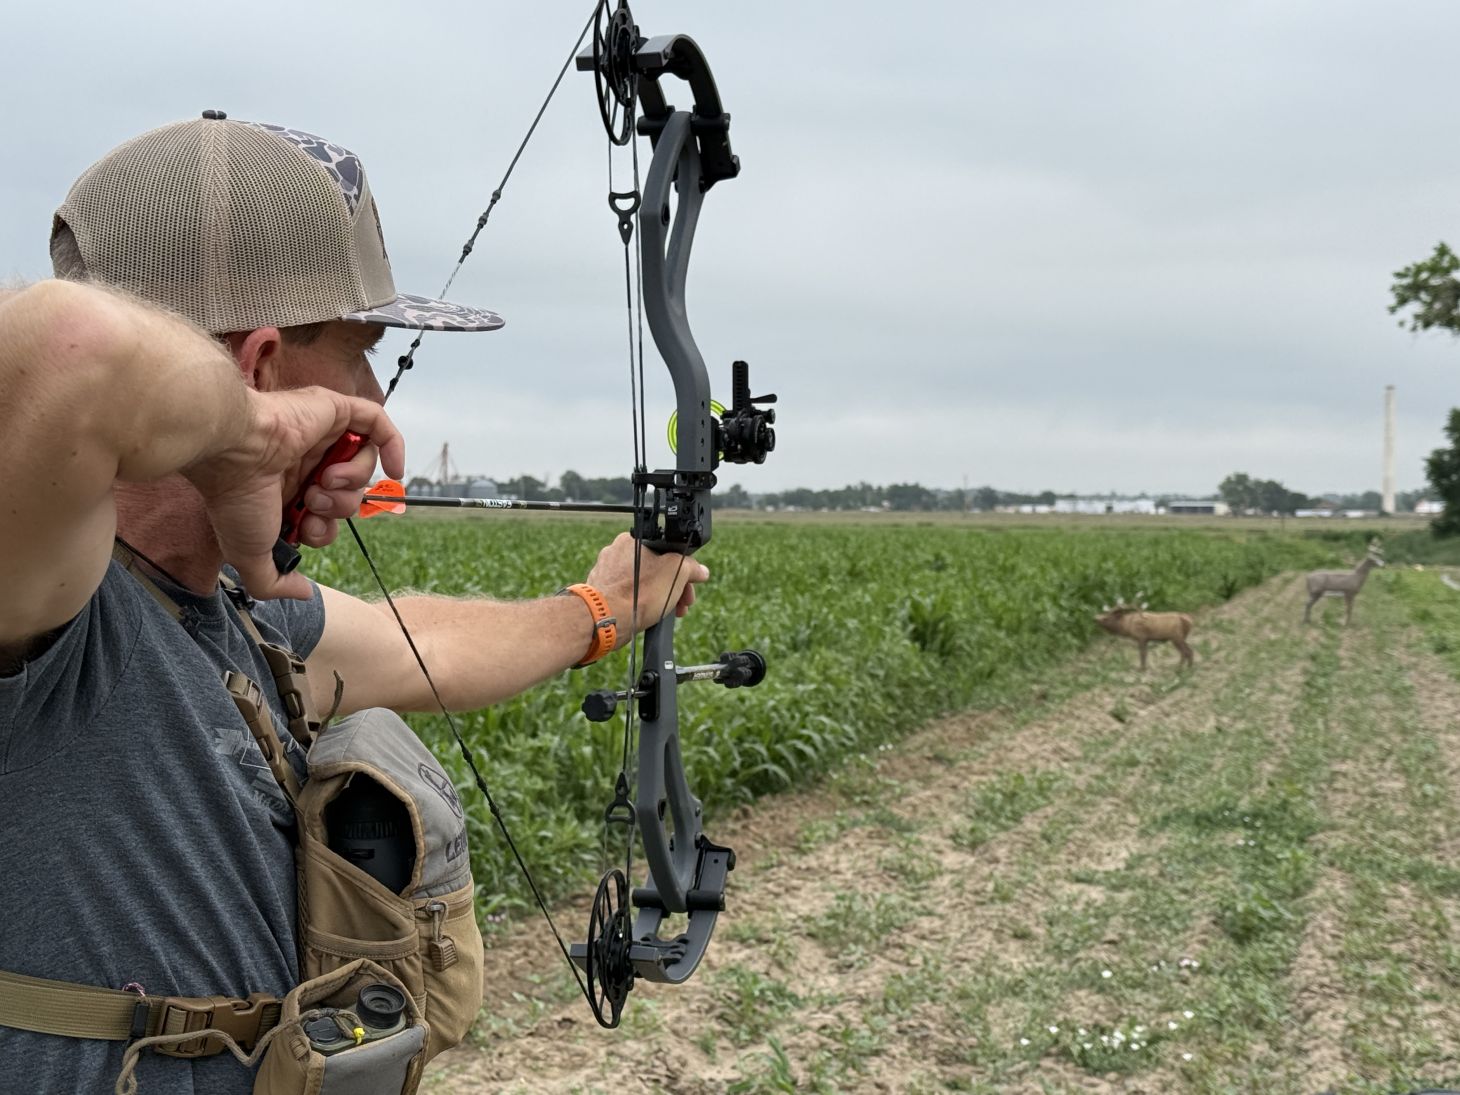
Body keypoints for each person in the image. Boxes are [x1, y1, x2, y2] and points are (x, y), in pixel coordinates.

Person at [0, 113, 707, 1094]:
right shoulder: (45, 610)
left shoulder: (242, 611)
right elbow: (62, 351)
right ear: (257, 369)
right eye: (358, 348)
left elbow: (422, 645)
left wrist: (599, 606)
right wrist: (243, 436)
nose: (375, 392)